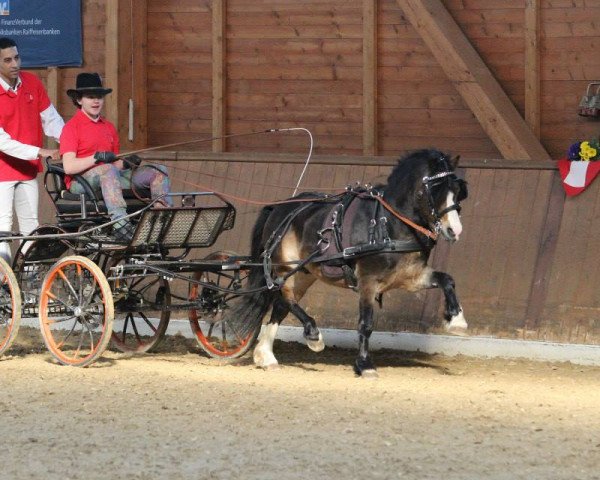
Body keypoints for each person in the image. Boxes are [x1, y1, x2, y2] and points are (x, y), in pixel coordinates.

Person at [60, 72, 171, 242]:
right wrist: (96, 158)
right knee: (107, 169)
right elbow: (69, 167)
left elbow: (116, 167)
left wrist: (126, 164)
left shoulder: (109, 127)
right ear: (79, 100)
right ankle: (121, 224)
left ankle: (158, 219)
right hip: (80, 182)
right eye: (91, 97)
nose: (96, 101)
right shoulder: (71, 128)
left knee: (158, 170)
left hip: (110, 176)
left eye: (99, 97)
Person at [0, 37, 64, 262]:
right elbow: (2, 142)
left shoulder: (32, 83)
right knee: (3, 228)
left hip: (26, 170)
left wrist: (69, 143)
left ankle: (30, 280)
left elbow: (52, 120)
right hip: (1, 173)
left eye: (16, 57)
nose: (14, 64)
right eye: (7, 60)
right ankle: (4, 286)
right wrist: (39, 151)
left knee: (31, 226)